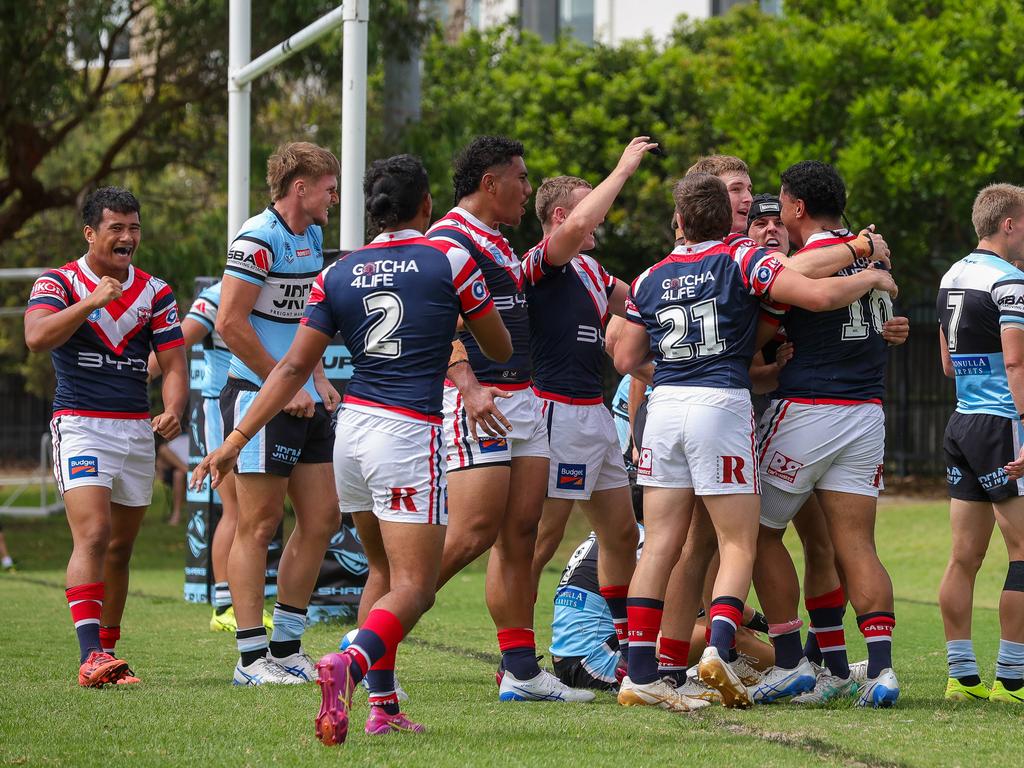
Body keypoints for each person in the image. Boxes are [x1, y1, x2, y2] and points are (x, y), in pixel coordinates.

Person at [194, 153, 512, 743]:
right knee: (415, 586)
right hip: (408, 433)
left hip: (352, 433)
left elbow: (292, 367)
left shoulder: (337, 271)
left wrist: (235, 439)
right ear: (426, 207)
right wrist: (458, 319)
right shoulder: (451, 257)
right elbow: (499, 346)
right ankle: (350, 663)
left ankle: (383, 707)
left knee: (384, 569)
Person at [612, 172, 896, 711]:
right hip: (724, 406)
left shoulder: (649, 275)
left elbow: (626, 356)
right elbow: (814, 292)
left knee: (663, 546)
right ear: (731, 219)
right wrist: (872, 274)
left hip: (665, 406)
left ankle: (643, 671)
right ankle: (723, 649)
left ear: (678, 221)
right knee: (742, 540)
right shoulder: (742, 260)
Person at [427, 137, 593, 702]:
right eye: (520, 179)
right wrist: (468, 386)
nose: (528, 188)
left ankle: (520, 671)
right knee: (472, 533)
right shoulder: (446, 239)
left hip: (524, 401)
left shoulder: (496, 239)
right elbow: (436, 322)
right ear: (490, 183)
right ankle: (374, 634)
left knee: (520, 536)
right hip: (481, 400)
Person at [751, 160, 902, 708]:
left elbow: (792, 284)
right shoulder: (876, 254)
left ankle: (790, 660)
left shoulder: (807, 261)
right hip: (865, 415)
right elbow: (880, 320)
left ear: (795, 207)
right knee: (854, 544)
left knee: (758, 532)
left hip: (807, 410)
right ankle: (880, 670)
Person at [24, 186, 188, 686]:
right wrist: (91, 301)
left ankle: (109, 656)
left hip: (136, 430)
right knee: (93, 534)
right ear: (90, 233)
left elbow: (175, 361)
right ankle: (89, 654)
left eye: (133, 227)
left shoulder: (156, 291)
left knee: (120, 548)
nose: (127, 237)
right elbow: (36, 338)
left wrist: (174, 408)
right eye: (116, 228)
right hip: (79, 425)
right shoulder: (59, 282)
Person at [521, 137, 658, 660]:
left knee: (621, 532)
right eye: (591, 203)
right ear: (561, 215)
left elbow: (645, 302)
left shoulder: (592, 271)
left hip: (594, 416)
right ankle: (518, 656)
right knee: (540, 540)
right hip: (554, 414)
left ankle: (626, 648)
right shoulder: (543, 261)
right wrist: (622, 168)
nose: (598, 218)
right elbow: (576, 230)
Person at [215, 142, 342, 685]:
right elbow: (230, 324)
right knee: (259, 524)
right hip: (257, 395)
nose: (333, 199)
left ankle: (288, 649)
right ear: (301, 189)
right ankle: (250, 659)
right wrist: (281, 382)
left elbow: (305, 323)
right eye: (329, 189)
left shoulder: (311, 236)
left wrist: (315, 376)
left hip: (299, 395)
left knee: (321, 520)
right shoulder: (257, 238)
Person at [942, 184, 1024, 704]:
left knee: (963, 557)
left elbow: (948, 363)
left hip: (962, 423)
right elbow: (1016, 363)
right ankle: (1012, 681)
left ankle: (961, 678)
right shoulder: (1011, 281)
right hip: (1003, 424)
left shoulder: (951, 275)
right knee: (1021, 554)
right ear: (1009, 225)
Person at [149, 280, 268, 631]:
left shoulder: (272, 289)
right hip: (222, 409)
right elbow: (175, 345)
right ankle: (223, 606)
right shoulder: (218, 295)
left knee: (257, 514)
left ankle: (244, 603)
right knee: (235, 511)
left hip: (261, 406)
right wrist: (134, 376)